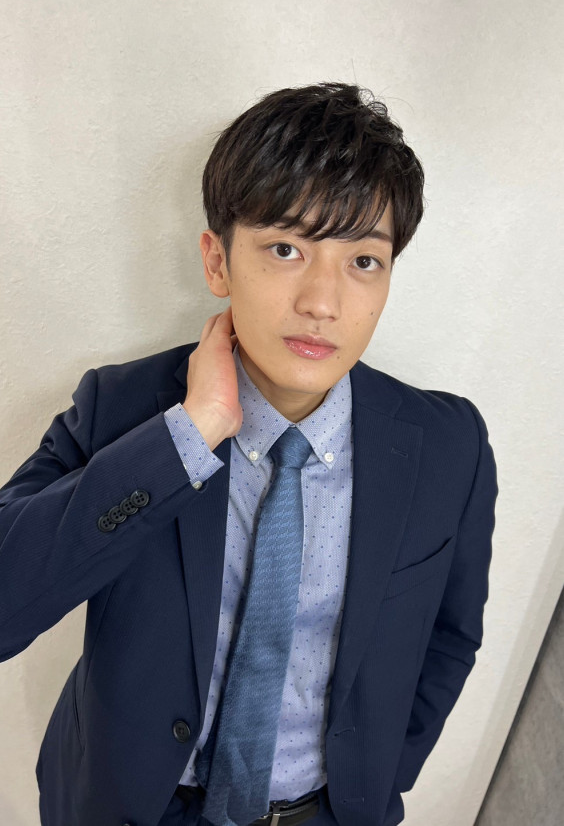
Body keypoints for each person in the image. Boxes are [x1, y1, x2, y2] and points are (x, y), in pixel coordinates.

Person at [0, 82, 498, 826]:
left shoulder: (449, 445)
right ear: (218, 261)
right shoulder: (122, 409)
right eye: (286, 248)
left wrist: (376, 781)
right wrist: (188, 436)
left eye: (364, 260)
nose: (323, 302)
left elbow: (450, 639)